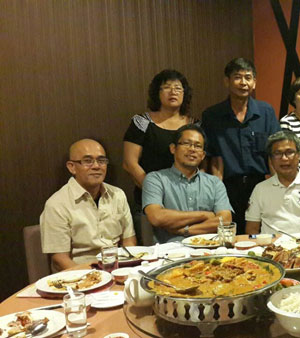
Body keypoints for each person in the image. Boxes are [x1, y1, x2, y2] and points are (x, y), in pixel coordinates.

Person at [202, 58, 280, 234]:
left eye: (248, 77)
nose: (243, 83)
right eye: (237, 77)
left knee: (262, 236)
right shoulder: (212, 115)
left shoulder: (265, 111)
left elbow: (273, 153)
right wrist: (216, 193)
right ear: (227, 81)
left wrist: (276, 188)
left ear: (254, 83)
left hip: (260, 184)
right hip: (227, 187)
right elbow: (213, 157)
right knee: (230, 237)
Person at [122, 69, 197, 241]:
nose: (173, 92)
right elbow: (129, 163)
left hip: (187, 204)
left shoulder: (195, 124)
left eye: (178, 88)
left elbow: (201, 164)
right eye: (166, 87)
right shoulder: (142, 122)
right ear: (157, 92)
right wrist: (155, 192)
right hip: (151, 203)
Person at [40, 139, 136, 271]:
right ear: (72, 167)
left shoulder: (118, 195)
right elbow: (60, 259)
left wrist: (128, 269)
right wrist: (94, 278)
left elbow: (129, 240)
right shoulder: (56, 204)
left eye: (101, 160)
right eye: (88, 161)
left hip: (118, 270)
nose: (96, 166)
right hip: (80, 276)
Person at [142, 124, 233, 243]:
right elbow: (156, 217)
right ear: (173, 148)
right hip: (168, 254)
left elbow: (225, 220)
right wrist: (204, 215)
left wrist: (185, 230)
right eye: (186, 143)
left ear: (203, 155)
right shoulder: (155, 179)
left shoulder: (214, 183)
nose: (192, 149)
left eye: (198, 146)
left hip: (208, 251)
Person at [246, 131, 300, 234]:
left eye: (289, 152)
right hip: (270, 248)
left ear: (298, 155)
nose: (284, 158)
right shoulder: (260, 189)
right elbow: (252, 229)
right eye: (277, 153)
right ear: (271, 159)